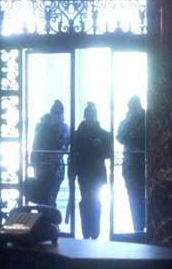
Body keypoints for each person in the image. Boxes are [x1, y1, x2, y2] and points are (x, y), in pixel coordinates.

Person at [67, 102, 113, 240]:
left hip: (89, 172)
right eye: (89, 115)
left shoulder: (77, 135)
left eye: (92, 115)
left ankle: (90, 231)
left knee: (90, 201)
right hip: (89, 172)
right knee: (90, 201)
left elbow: (108, 153)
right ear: (85, 116)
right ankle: (90, 231)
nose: (91, 118)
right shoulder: (102, 134)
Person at [28, 100, 70, 208]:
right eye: (55, 114)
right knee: (44, 197)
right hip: (44, 166)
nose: (57, 117)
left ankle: (48, 220)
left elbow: (65, 144)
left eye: (59, 114)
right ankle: (46, 220)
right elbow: (36, 145)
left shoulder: (63, 128)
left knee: (50, 197)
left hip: (55, 167)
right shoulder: (43, 127)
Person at [116, 95, 146, 233]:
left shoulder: (145, 120)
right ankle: (138, 226)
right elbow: (120, 137)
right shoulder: (126, 122)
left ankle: (141, 225)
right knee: (134, 197)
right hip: (131, 164)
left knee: (141, 197)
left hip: (142, 164)